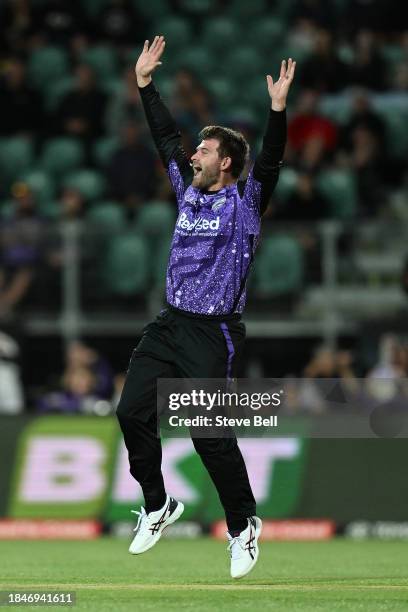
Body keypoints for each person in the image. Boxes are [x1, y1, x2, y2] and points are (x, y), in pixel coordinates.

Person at [116, 36, 295, 579]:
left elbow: (269, 159)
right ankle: (156, 505)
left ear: (227, 164)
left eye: (205, 150)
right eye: (196, 149)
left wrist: (278, 111)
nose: (193, 154)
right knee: (130, 412)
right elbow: (165, 134)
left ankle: (243, 526)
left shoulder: (245, 204)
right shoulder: (187, 188)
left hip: (212, 332)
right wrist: (145, 84)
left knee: (207, 434)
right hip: (169, 323)